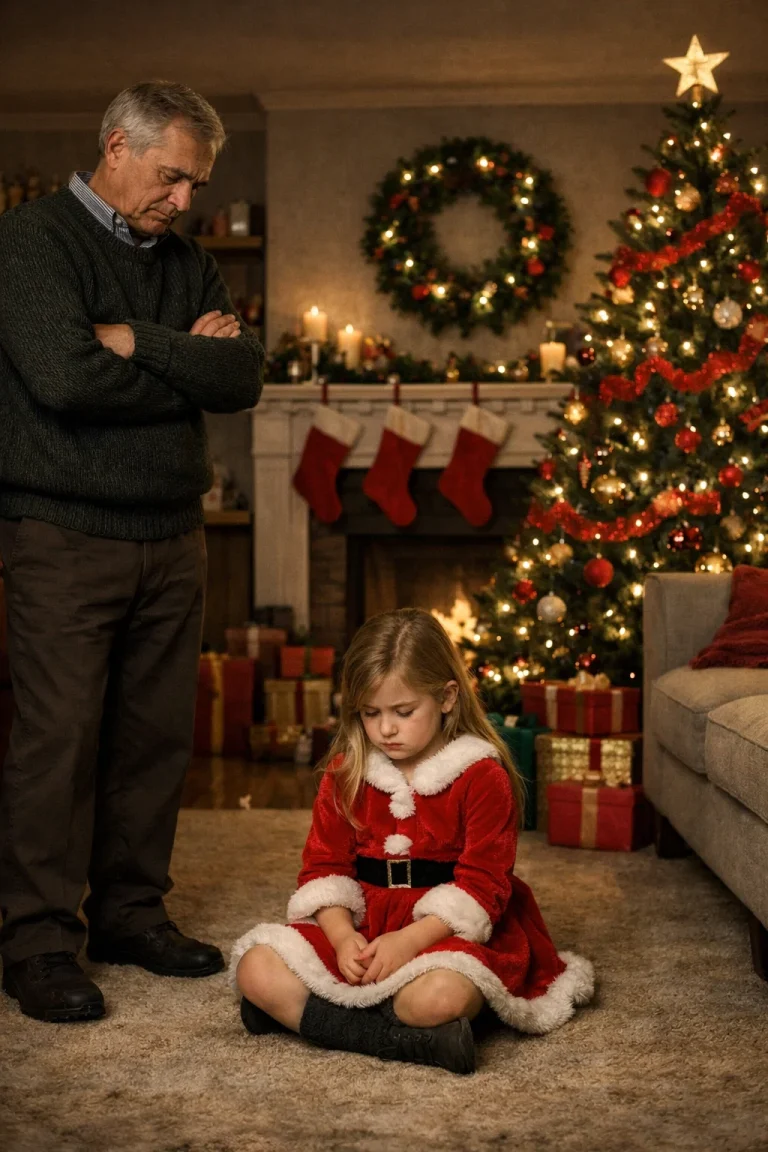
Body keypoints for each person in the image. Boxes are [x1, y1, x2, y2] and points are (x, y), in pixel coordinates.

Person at [0, 81, 264, 1023]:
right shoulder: (31, 243)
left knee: (155, 739)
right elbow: (65, 380)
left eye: (196, 184)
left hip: (171, 534)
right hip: (63, 535)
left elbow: (241, 378)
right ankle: (35, 941)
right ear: (116, 146)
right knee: (58, 740)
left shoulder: (186, 261)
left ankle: (128, 914)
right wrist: (178, 359)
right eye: (172, 177)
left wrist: (134, 343)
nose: (185, 201)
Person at [231, 609, 594, 1075]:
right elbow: (324, 871)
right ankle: (413, 1042)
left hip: (446, 931)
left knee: (439, 996)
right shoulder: (347, 774)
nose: (386, 729)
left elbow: (484, 887)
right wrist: (342, 940)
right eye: (370, 713)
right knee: (255, 968)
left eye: (404, 712)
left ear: (446, 697)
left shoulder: (481, 776)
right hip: (362, 924)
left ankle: (306, 1017)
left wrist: (408, 942)